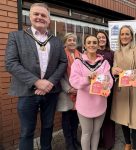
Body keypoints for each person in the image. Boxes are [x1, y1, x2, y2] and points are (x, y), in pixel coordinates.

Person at [5, 3, 67, 150]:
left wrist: (50, 82)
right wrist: (36, 82)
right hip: (27, 92)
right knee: (27, 131)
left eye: (43, 15)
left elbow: (63, 62)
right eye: (36, 14)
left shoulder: (56, 40)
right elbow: (11, 63)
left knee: (48, 127)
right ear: (30, 16)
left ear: (49, 20)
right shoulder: (16, 36)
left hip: (50, 92)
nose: (39, 17)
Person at [69, 35, 113, 150]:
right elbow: (73, 81)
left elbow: (110, 80)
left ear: (98, 45)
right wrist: (87, 79)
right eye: (89, 42)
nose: (92, 45)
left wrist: (107, 86)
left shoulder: (104, 63)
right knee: (86, 133)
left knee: (96, 131)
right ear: (85, 45)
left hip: (100, 103)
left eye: (94, 42)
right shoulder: (78, 62)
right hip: (84, 104)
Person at [111, 25, 136, 150]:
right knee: (123, 116)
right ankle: (128, 142)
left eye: (127, 34)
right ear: (119, 36)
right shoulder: (117, 52)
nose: (125, 36)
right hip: (121, 87)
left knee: (135, 116)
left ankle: (135, 142)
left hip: (135, 86)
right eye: (122, 34)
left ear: (132, 36)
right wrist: (113, 70)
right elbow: (114, 68)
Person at [56, 33, 80, 150]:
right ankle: (69, 144)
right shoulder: (60, 55)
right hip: (66, 92)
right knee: (66, 119)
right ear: (65, 42)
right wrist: (69, 89)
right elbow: (58, 75)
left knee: (75, 119)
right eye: (69, 40)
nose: (72, 42)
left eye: (74, 40)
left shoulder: (80, 55)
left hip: (78, 92)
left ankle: (75, 140)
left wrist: (79, 87)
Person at [96, 31, 115, 150]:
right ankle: (97, 141)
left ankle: (109, 143)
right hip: (95, 89)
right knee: (97, 115)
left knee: (108, 115)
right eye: (99, 37)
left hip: (108, 88)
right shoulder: (91, 52)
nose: (101, 39)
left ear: (106, 39)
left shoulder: (111, 53)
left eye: (103, 37)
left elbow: (114, 69)